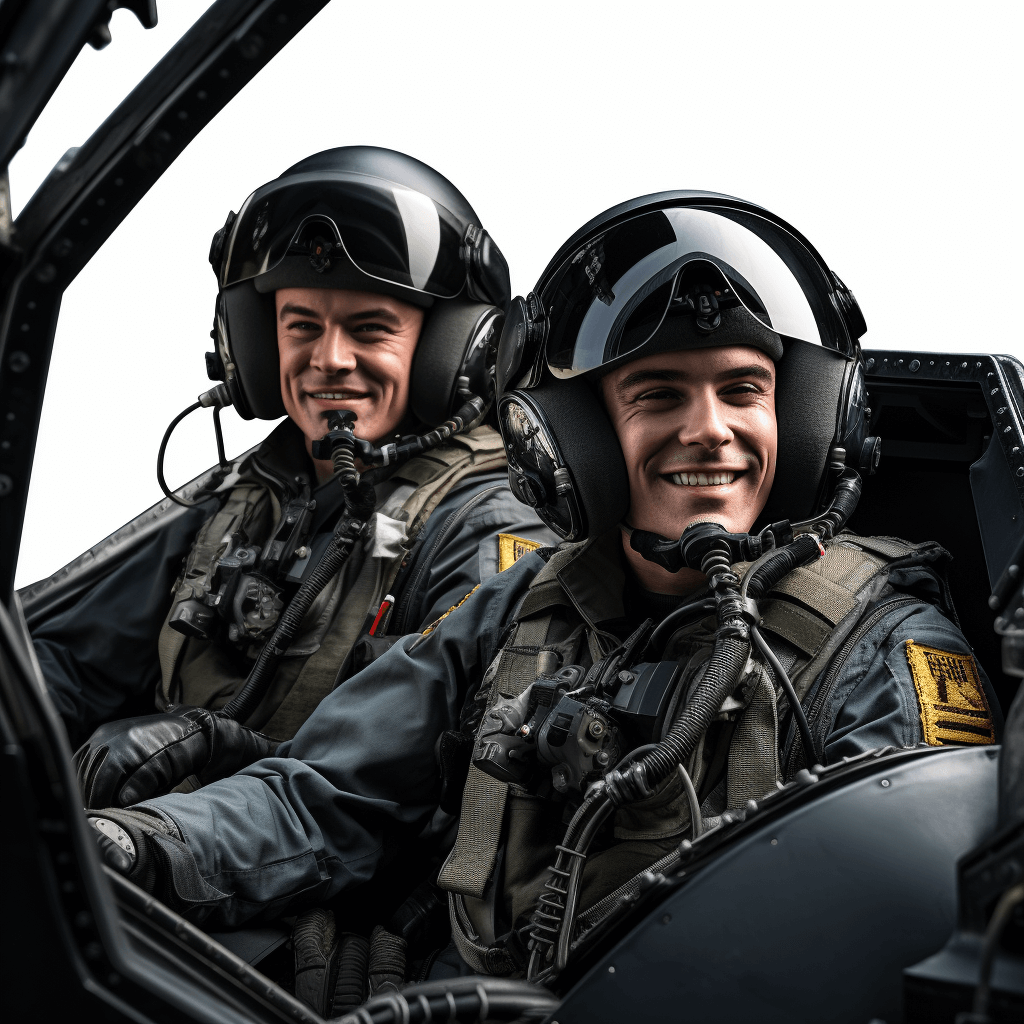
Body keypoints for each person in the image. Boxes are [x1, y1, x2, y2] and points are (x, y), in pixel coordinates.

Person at [84, 192, 1001, 997]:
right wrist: (131, 846)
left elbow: (881, 953)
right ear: (581, 444)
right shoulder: (526, 607)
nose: (709, 431)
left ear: (799, 422)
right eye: (657, 395)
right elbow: (323, 795)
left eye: (743, 390)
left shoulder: (880, 645)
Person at [26, 147, 554, 804]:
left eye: (369, 329)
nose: (329, 360)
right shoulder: (249, 492)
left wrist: (207, 758)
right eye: (301, 325)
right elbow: (67, 661)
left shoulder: (485, 527)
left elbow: (396, 792)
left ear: (454, 351)